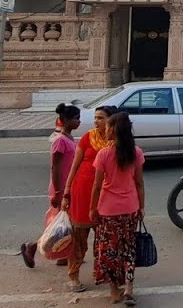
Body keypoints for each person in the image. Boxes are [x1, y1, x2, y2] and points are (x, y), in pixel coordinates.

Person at [91, 112, 146, 306]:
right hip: (130, 207)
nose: (104, 130)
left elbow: (97, 186)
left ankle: (114, 291)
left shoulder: (104, 154)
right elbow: (139, 183)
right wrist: (141, 206)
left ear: (113, 130)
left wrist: (92, 210)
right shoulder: (136, 152)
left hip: (108, 210)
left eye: (107, 127)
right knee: (128, 249)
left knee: (110, 251)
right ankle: (129, 288)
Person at [61, 105, 118, 293]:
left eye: (101, 118)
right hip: (82, 192)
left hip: (106, 195)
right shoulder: (87, 138)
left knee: (104, 239)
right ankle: (73, 275)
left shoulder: (117, 142)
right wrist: (67, 192)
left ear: (112, 120)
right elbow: (74, 166)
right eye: (95, 118)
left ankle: (103, 273)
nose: (96, 122)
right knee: (79, 239)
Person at [22, 103, 81, 269]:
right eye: (76, 119)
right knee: (59, 224)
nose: (79, 122)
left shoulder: (69, 138)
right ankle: (32, 247)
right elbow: (55, 167)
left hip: (69, 185)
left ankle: (64, 253)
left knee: (66, 223)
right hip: (60, 187)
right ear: (67, 120)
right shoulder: (60, 141)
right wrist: (57, 191)